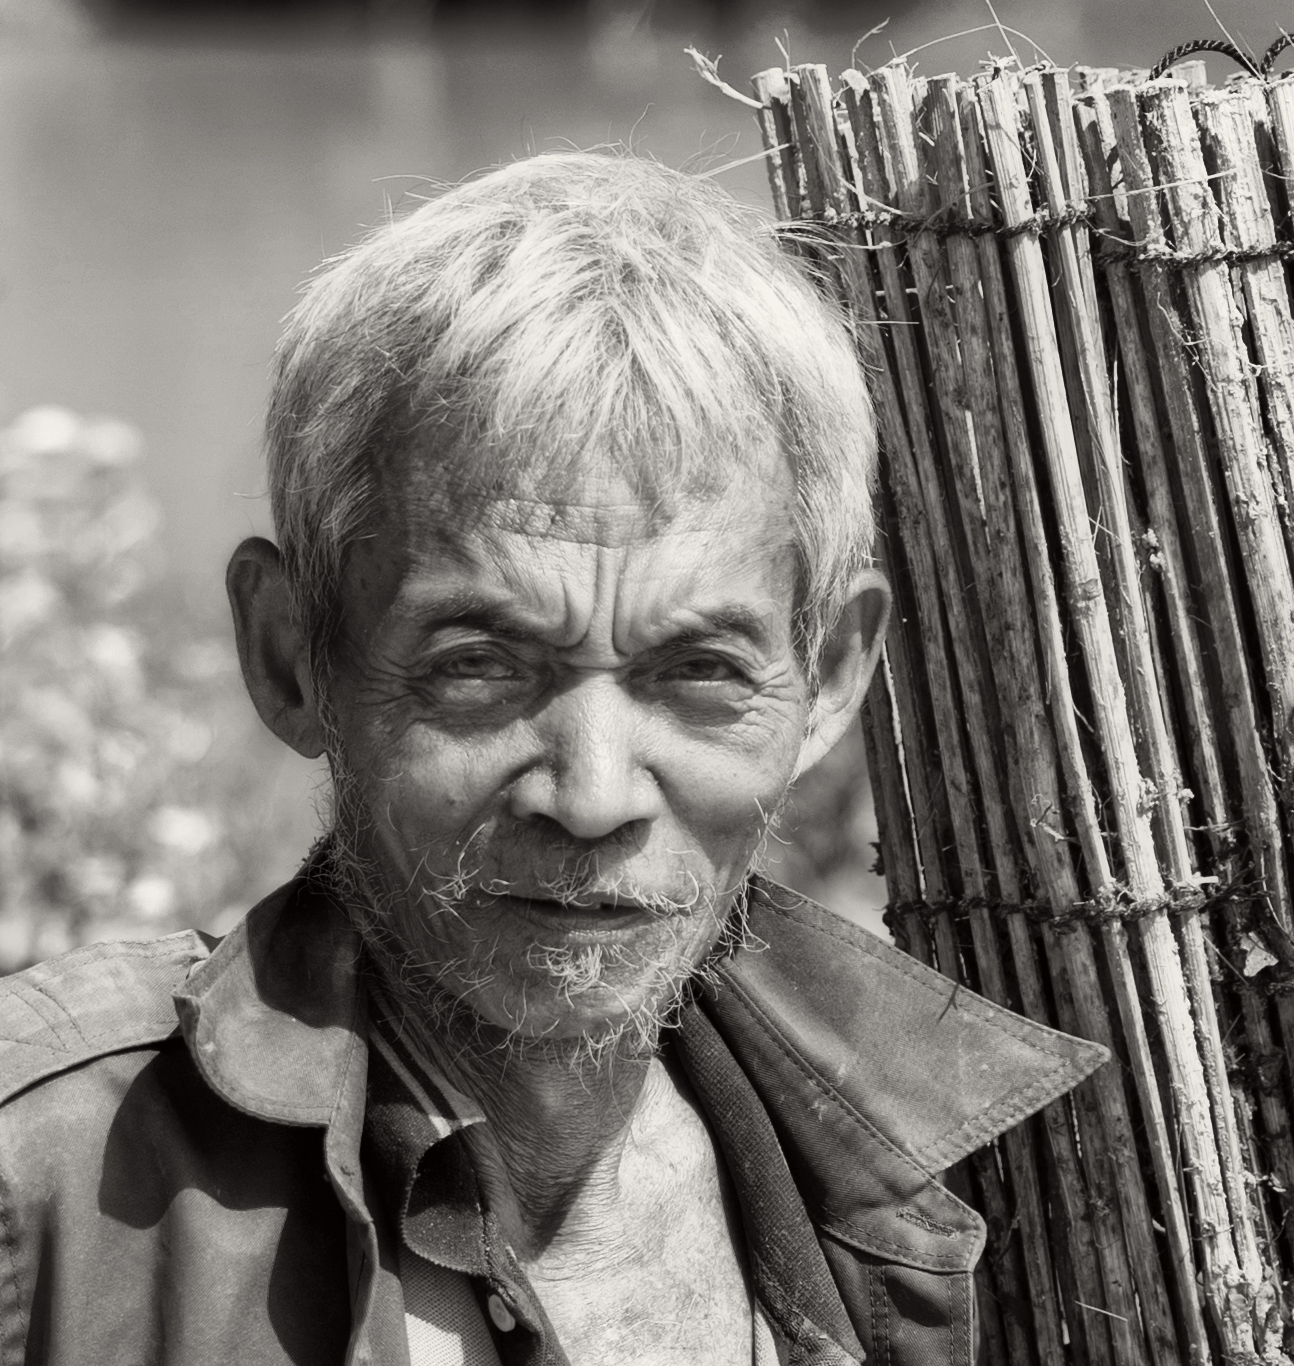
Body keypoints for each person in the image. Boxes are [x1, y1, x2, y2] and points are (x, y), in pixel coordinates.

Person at [0, 151, 1105, 1366]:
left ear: (831, 677)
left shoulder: (994, 1190)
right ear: (291, 656)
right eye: (479, 665)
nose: (590, 796)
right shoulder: (47, 1188)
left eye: (699, 674)